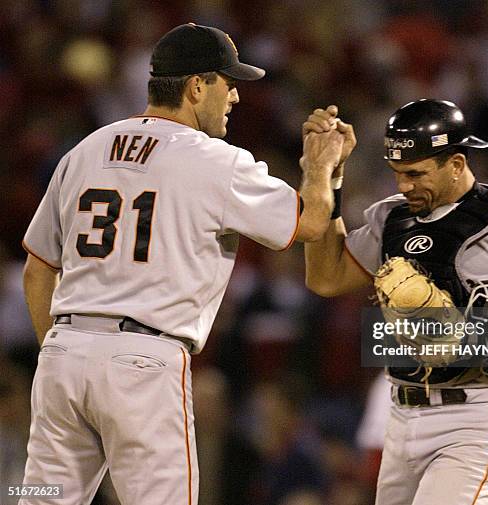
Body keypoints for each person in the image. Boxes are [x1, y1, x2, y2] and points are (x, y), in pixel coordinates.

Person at [20, 23, 345, 505]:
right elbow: (313, 222)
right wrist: (322, 164)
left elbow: (37, 268)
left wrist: (65, 350)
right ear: (197, 86)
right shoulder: (214, 159)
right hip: (143, 362)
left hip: (63, 355)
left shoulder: (84, 150)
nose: (234, 97)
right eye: (227, 83)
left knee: (42, 497)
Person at [302, 99, 488, 505]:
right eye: (398, 173)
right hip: (400, 415)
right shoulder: (392, 219)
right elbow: (325, 277)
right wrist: (325, 176)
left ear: (457, 163)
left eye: (416, 173)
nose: (404, 185)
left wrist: (472, 340)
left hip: (472, 418)